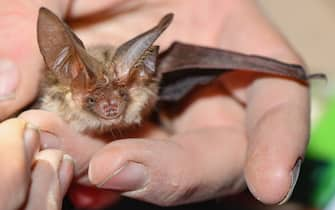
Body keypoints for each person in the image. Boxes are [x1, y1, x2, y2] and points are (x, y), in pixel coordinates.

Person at [0, 0, 310, 209]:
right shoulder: (56, 92)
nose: (109, 106)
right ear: (76, 93)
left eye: (119, 96)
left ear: (139, 76)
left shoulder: (143, 85)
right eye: (95, 99)